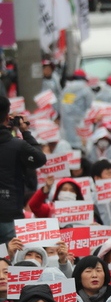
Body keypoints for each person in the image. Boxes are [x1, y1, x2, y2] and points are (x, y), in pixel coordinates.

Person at [0, 97, 46, 244]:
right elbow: (39, 159)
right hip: (10, 212)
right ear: (8, 117)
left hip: (10, 213)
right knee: (10, 261)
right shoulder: (17, 146)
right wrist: (25, 132)